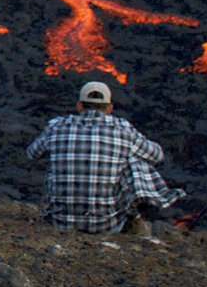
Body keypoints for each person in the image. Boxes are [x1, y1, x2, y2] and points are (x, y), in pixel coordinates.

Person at [26, 80, 185, 236]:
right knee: (134, 161)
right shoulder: (122, 130)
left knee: (59, 158)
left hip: (59, 221)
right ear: (109, 108)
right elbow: (157, 155)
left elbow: (32, 154)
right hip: (107, 225)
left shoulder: (56, 126)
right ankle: (139, 218)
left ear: (79, 106)